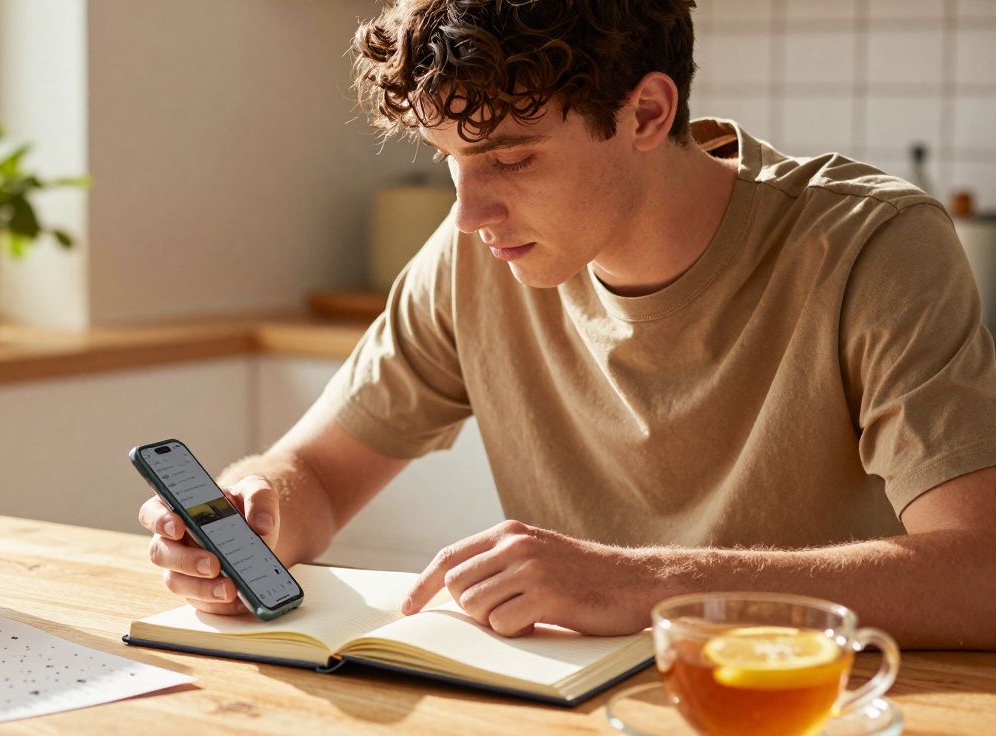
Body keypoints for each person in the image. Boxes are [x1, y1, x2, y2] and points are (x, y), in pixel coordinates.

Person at [138, 0, 996, 649]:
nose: (469, 209)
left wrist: (646, 584)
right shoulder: (474, 253)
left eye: (512, 157)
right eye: (451, 161)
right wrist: (255, 515)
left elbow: (981, 572)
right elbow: (314, 479)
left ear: (647, 115)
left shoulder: (871, 245)